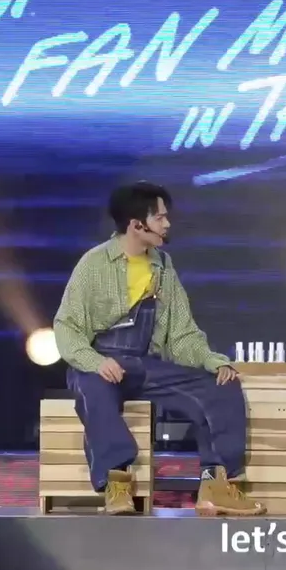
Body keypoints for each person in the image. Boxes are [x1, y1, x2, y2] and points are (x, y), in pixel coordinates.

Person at [53, 182, 264, 517]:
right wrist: (95, 361)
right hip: (99, 362)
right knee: (93, 387)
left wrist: (211, 361)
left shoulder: (163, 266)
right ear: (137, 225)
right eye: (160, 218)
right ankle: (116, 484)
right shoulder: (94, 264)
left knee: (220, 385)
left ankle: (216, 485)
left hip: (143, 364)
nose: (167, 224)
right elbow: (66, 327)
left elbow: (181, 334)